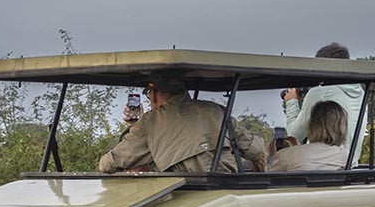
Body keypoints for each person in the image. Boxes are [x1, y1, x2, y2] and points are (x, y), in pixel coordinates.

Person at [98, 74, 266, 173]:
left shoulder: (150, 121)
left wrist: (136, 126)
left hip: (184, 194)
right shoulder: (216, 110)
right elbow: (257, 150)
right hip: (228, 193)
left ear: (154, 94)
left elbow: (113, 162)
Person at [283, 43, 365, 161]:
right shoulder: (361, 92)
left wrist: (291, 102)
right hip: (349, 166)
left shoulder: (321, 92)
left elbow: (294, 135)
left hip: (321, 167)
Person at [268, 101, 349, 171]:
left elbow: (268, 179)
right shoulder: (348, 157)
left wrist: (272, 157)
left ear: (312, 125)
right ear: (341, 128)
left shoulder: (285, 155)